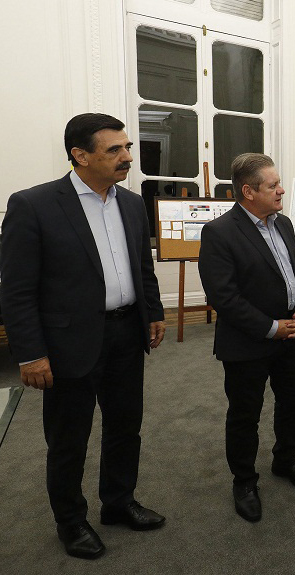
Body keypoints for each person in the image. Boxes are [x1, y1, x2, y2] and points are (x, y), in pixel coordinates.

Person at [0, 113, 167, 560]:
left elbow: (143, 267)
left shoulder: (131, 203)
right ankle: (71, 521)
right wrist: (30, 354)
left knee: (125, 427)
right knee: (69, 439)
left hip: (126, 334)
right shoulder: (33, 205)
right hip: (68, 343)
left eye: (127, 147)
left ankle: (118, 502)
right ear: (80, 155)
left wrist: (152, 312)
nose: (127, 157)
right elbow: (16, 290)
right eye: (114, 150)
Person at [198, 153, 295, 523]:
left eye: (279, 183)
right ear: (248, 192)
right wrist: (271, 327)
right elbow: (224, 298)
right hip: (247, 343)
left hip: (290, 337)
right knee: (245, 415)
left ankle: (286, 460)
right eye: (273, 185)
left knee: (293, 400)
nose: (281, 190)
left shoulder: (284, 224)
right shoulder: (219, 233)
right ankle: (245, 482)